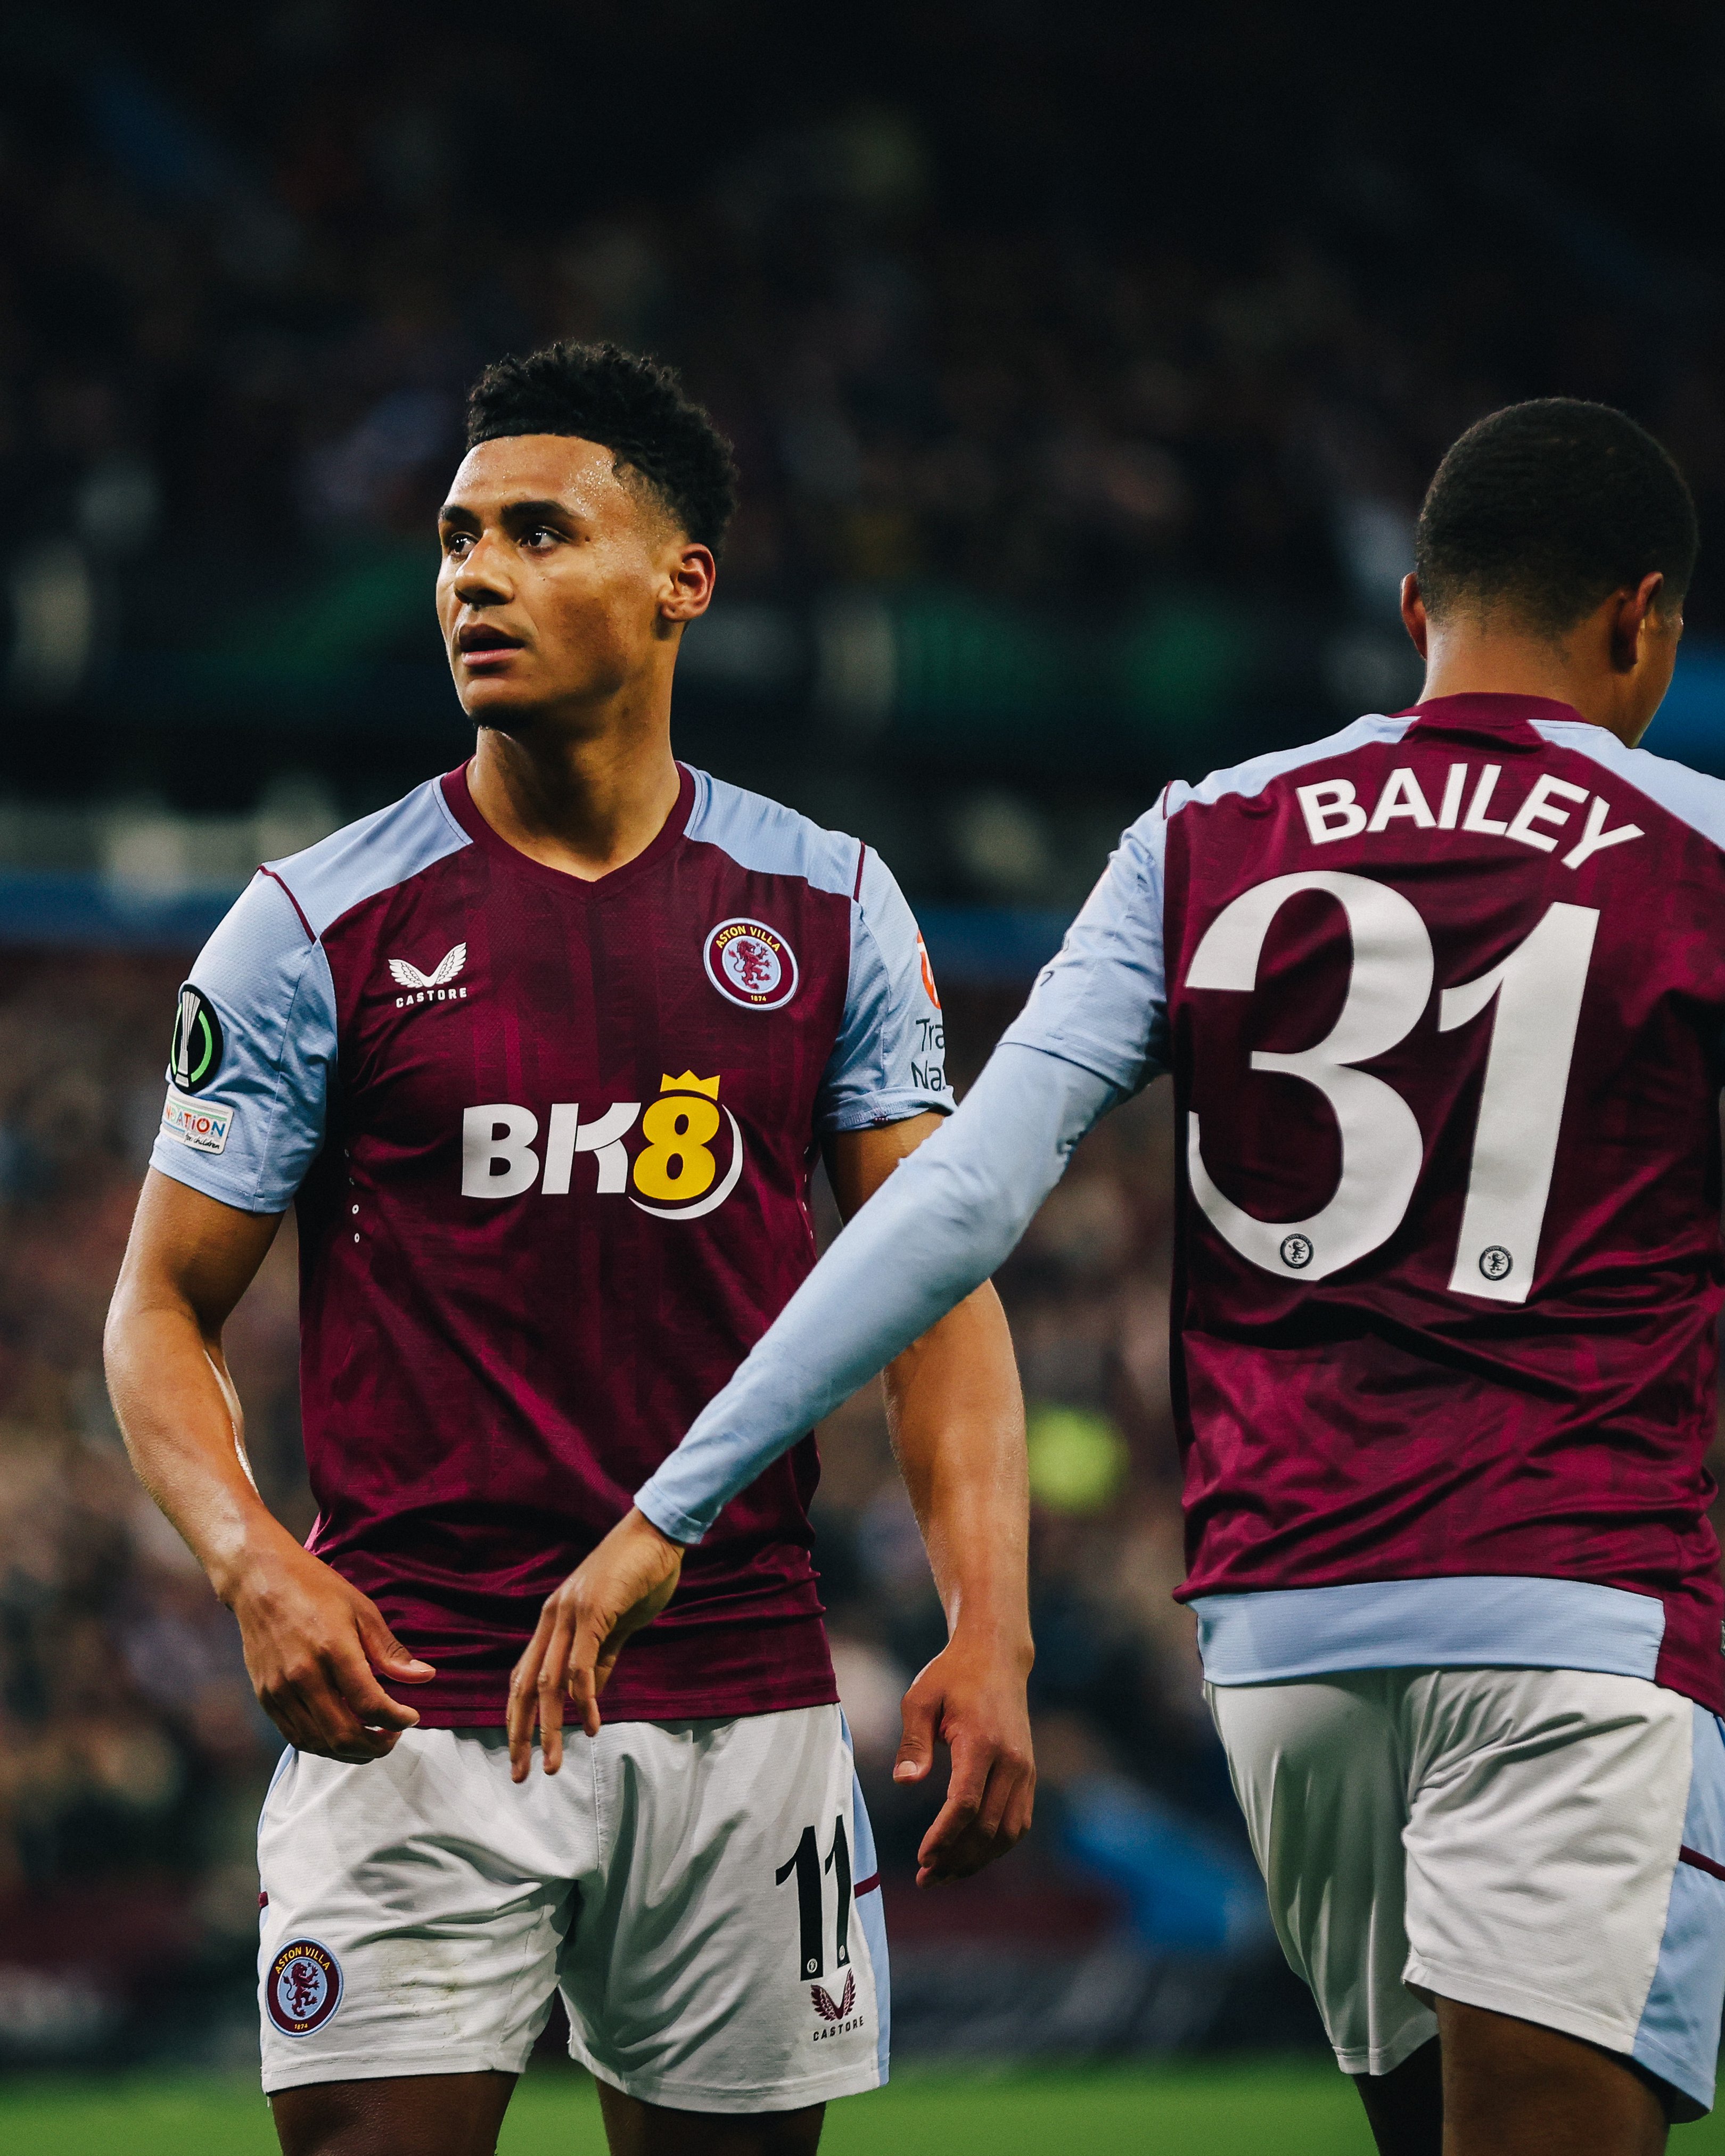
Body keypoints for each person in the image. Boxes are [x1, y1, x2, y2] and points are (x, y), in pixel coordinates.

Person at [564, 399, 1725, 2156]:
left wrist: (675, 1500)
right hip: (1581, 1610)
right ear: (1645, 619)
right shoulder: (1698, 846)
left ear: (1415, 612)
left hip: (1289, 1647)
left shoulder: (1202, 837)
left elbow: (958, 1201)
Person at [104, 340, 1034, 2156]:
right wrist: (249, 1562)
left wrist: (989, 1627)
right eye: (458, 539)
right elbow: (156, 1308)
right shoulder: (312, 925)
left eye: (539, 532)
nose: (476, 575)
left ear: (683, 578)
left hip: (742, 1704)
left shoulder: (828, 902)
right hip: (413, 1704)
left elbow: (940, 1296)